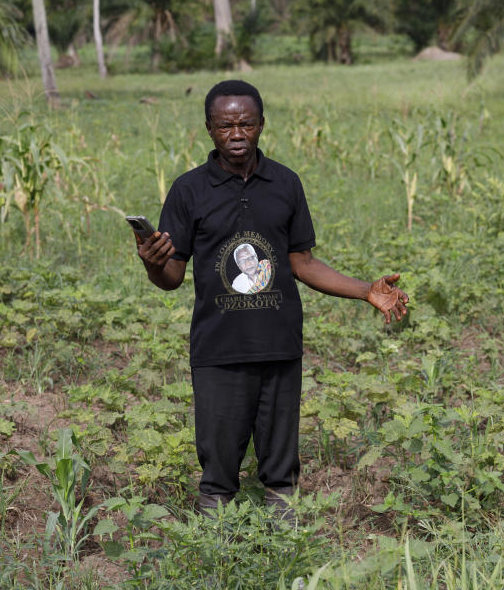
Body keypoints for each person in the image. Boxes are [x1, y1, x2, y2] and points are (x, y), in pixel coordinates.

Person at [135, 80, 408, 517]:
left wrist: (364, 291)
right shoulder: (189, 191)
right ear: (209, 128)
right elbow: (172, 277)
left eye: (246, 124)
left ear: (262, 124)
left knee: (281, 470)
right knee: (218, 471)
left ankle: (284, 540)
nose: (237, 134)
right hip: (218, 350)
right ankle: (214, 548)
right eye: (226, 126)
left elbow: (303, 262)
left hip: (280, 347)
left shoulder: (285, 183)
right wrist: (152, 261)